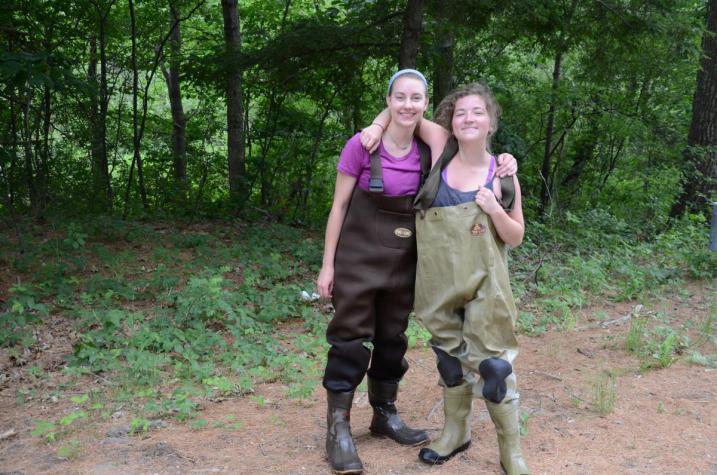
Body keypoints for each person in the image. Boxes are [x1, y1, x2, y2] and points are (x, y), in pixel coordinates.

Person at [317, 70, 517, 474]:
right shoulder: (367, 145)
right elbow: (338, 207)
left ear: (427, 104)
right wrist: (327, 266)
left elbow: (411, 116)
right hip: (359, 260)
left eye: (417, 98)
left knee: (393, 340)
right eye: (399, 97)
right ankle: (337, 426)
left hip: (408, 264)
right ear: (388, 100)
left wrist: (505, 172)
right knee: (351, 341)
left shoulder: (435, 150)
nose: (408, 105)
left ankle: (383, 414)